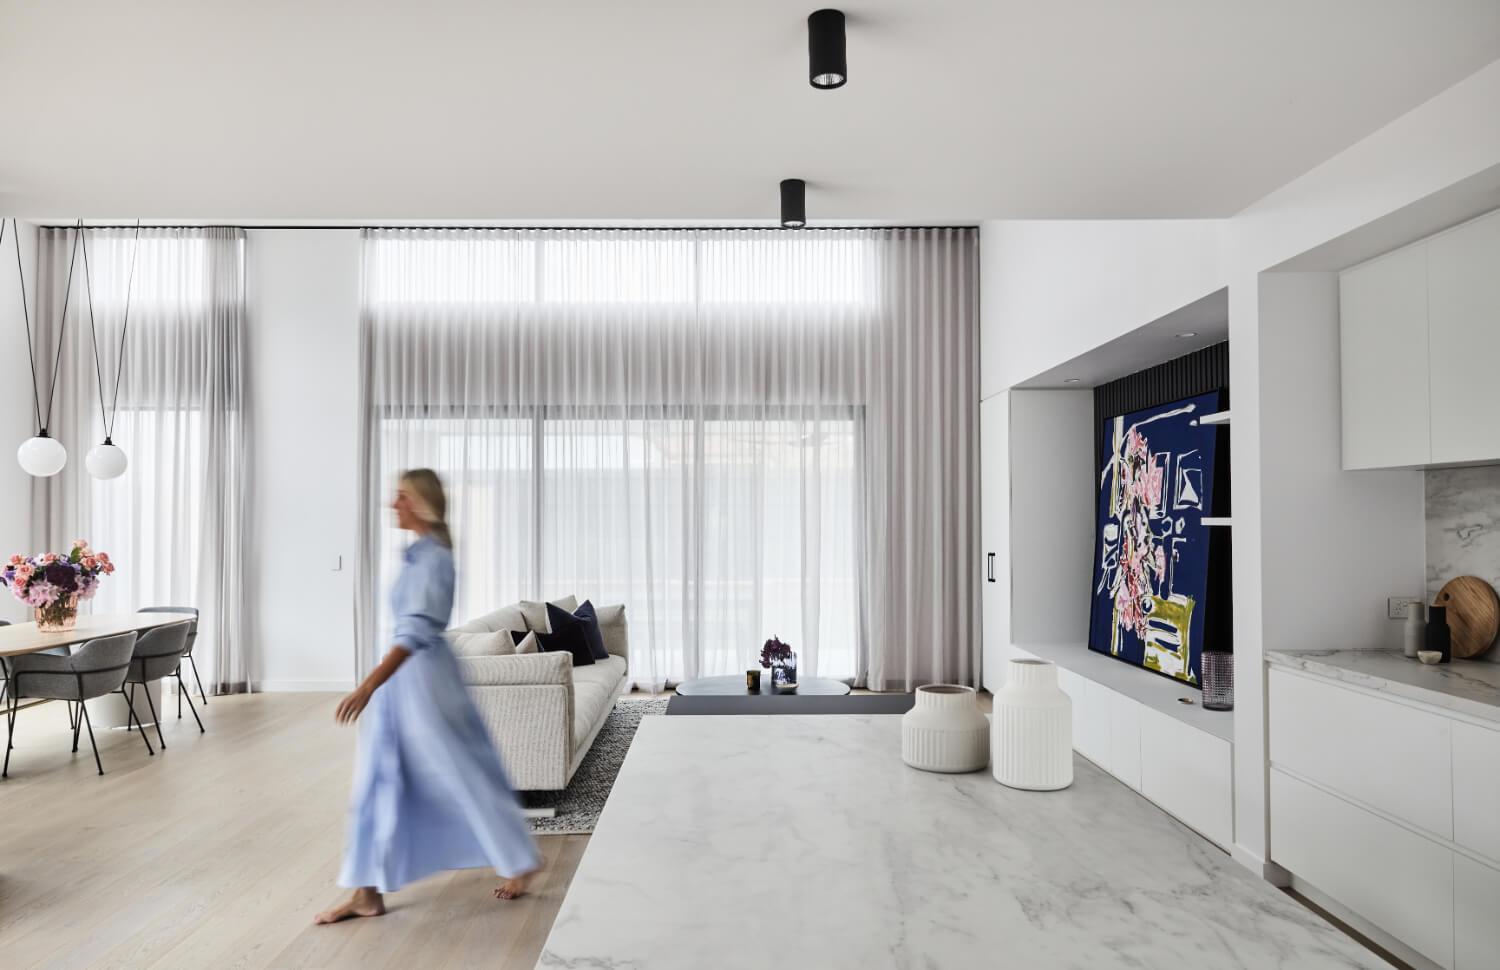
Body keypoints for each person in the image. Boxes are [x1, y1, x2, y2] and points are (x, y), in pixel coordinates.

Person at [316, 469, 540, 924]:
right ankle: (367, 890)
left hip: (424, 683)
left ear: (420, 503)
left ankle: (518, 858)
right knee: (381, 779)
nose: (392, 504)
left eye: (401, 497)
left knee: (458, 769)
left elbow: (415, 632)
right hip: (408, 681)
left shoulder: (436, 559)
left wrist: (367, 685)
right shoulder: (418, 557)